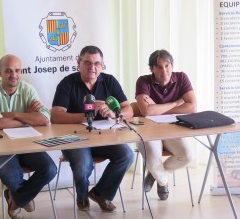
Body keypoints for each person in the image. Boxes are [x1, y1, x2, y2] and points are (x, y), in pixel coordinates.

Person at [51, 45, 134, 212]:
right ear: (78, 63)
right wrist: (87, 114)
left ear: (102, 65)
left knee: (126, 155)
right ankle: (82, 196)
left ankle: (101, 193)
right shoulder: (67, 83)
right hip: (74, 138)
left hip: (103, 136)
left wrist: (112, 113)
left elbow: (129, 110)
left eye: (97, 64)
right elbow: (55, 116)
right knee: (83, 165)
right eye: (87, 63)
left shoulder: (109, 81)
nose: (92, 67)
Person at [0, 54, 57, 219]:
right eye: (8, 71)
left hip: (27, 144)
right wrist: (27, 119)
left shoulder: (28, 89)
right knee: (12, 176)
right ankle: (24, 196)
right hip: (0, 147)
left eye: (17, 70)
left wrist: (14, 115)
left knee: (50, 169)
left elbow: (44, 119)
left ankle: (17, 199)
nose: (13, 75)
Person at [135, 49, 197, 200]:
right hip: (147, 130)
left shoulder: (181, 77)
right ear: (152, 69)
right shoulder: (143, 81)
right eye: (159, 67)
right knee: (153, 158)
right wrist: (175, 103)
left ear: (172, 65)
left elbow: (193, 107)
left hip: (172, 128)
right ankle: (162, 181)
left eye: (167, 65)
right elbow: (147, 112)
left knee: (187, 155)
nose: (164, 71)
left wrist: (157, 108)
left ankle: (155, 174)